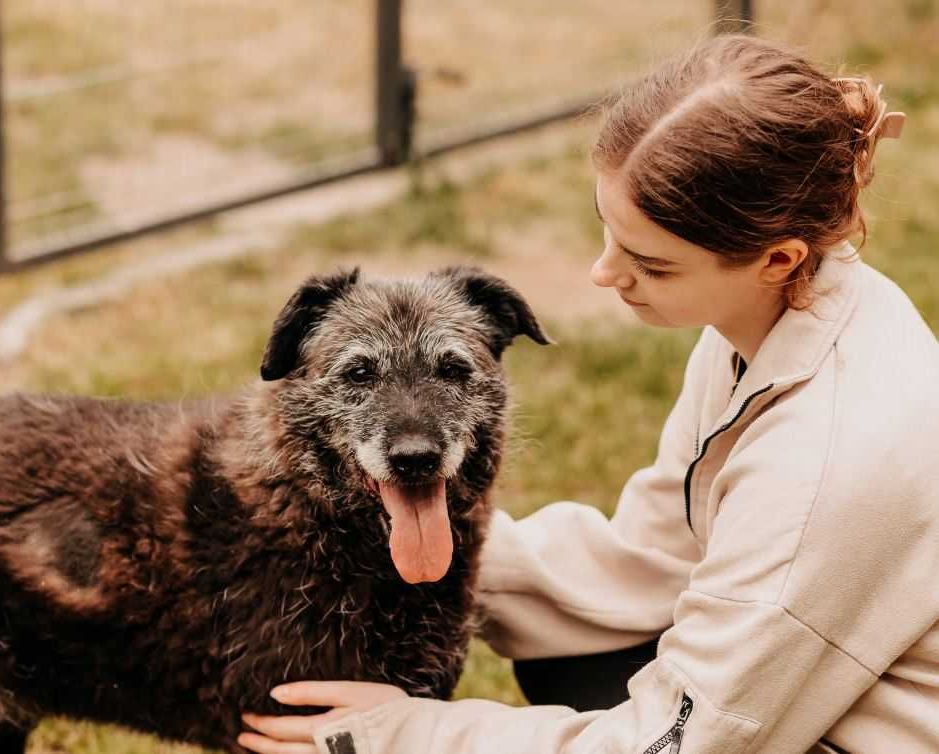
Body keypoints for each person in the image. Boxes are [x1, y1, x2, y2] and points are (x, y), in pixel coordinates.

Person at [237, 32, 939, 754]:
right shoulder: (777, 313)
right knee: (574, 655)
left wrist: (408, 736)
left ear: (775, 257)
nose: (604, 274)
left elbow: (675, 744)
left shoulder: (831, 460)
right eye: (607, 232)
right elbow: (661, 555)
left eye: (650, 264)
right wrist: (387, 557)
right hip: (807, 685)